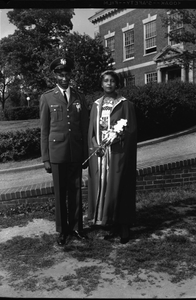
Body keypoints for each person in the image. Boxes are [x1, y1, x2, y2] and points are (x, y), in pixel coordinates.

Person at [39, 57, 89, 247]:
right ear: (55, 75)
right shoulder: (47, 97)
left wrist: (85, 154)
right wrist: (46, 158)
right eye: (61, 74)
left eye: (67, 74)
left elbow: (84, 128)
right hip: (57, 154)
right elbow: (44, 130)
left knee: (76, 191)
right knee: (60, 193)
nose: (65, 77)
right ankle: (62, 230)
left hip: (76, 152)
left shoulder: (79, 97)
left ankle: (77, 227)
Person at [87, 70, 137, 244]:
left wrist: (117, 137)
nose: (109, 84)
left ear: (117, 84)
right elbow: (92, 131)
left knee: (120, 187)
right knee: (106, 188)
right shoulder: (96, 105)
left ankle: (124, 225)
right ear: (101, 84)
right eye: (105, 81)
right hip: (101, 155)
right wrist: (95, 146)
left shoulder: (125, 104)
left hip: (118, 154)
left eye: (112, 81)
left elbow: (131, 131)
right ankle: (110, 222)